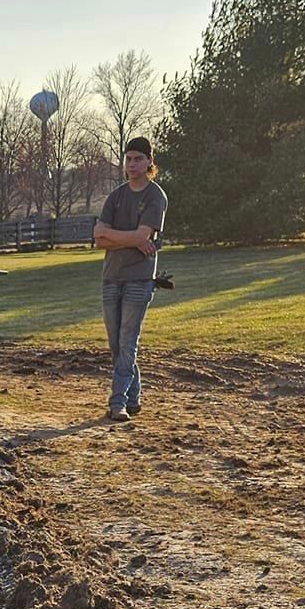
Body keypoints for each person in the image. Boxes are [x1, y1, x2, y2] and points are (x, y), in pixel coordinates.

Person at [93, 138, 167, 421]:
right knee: (116, 344)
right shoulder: (116, 196)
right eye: (128, 159)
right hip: (111, 277)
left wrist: (113, 235)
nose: (132, 164)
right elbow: (99, 240)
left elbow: (138, 235)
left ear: (149, 162)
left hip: (139, 278)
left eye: (138, 159)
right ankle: (133, 397)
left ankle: (117, 402)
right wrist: (133, 239)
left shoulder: (155, 196)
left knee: (127, 342)